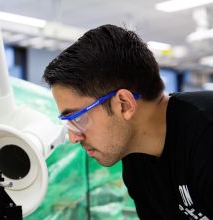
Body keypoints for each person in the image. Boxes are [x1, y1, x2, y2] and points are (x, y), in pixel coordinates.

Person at [43, 24, 213, 219]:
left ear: (124, 104)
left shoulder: (206, 134)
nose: (73, 137)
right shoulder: (136, 160)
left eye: (78, 118)